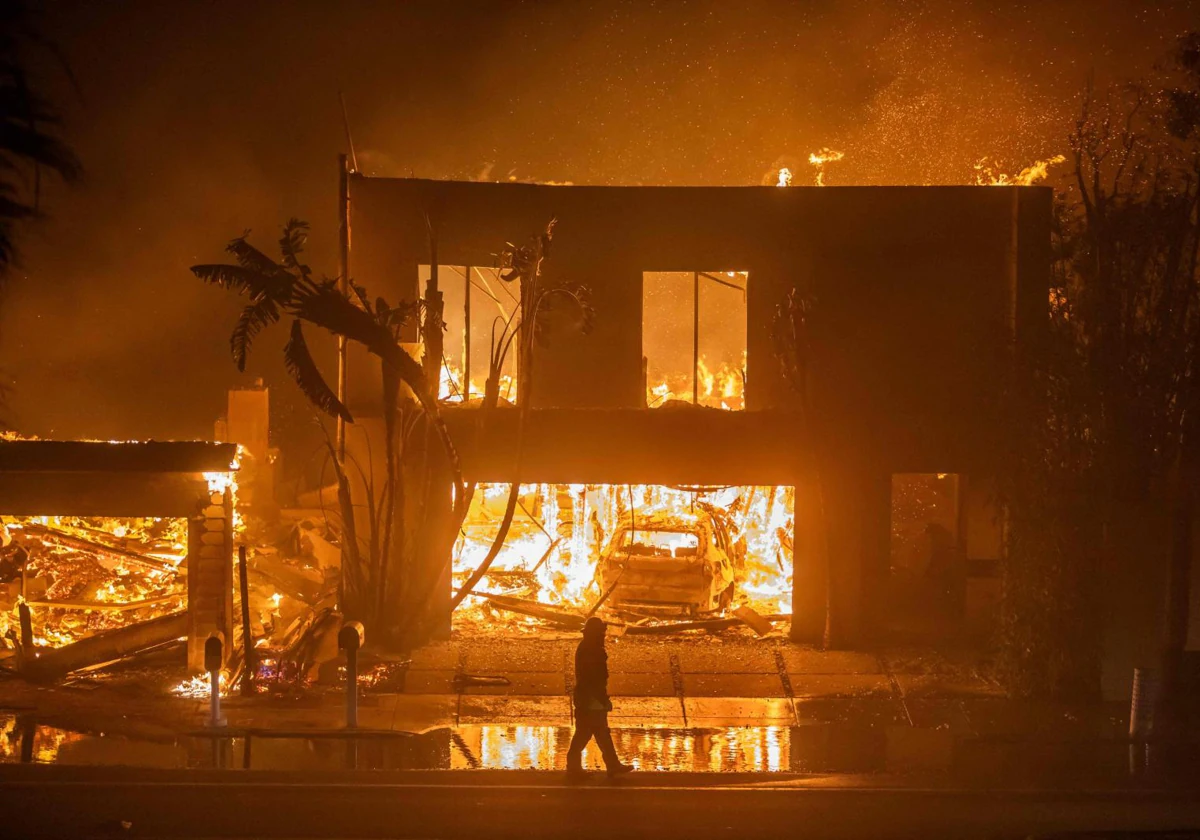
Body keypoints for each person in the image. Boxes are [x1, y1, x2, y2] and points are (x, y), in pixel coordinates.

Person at [566, 617, 634, 778]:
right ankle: (574, 765)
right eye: (601, 633)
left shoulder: (588, 647)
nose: (603, 636)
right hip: (590, 698)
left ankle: (611, 764)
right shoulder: (591, 650)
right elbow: (593, 678)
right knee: (586, 732)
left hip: (589, 697)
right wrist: (601, 699)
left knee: (600, 731)